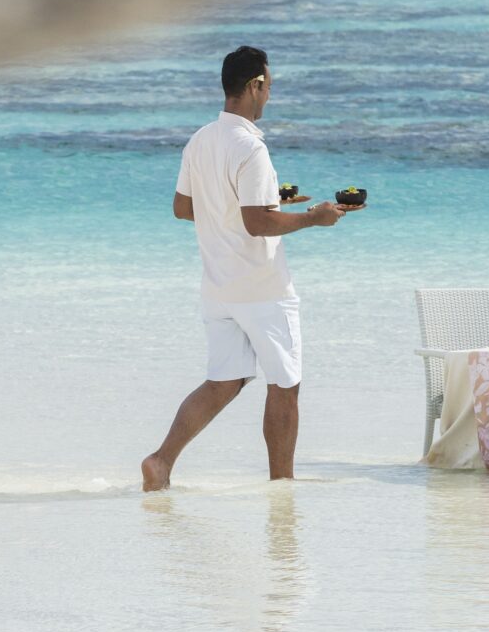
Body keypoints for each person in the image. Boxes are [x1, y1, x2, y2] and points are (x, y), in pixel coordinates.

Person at [141, 45, 360, 491]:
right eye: (269, 87)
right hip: (263, 289)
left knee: (224, 382)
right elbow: (257, 223)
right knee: (285, 384)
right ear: (255, 85)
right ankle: (282, 487)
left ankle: (161, 462)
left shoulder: (201, 140)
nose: (270, 96)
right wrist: (314, 218)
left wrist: (263, 202)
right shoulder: (250, 148)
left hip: (219, 287)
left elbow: (184, 208)